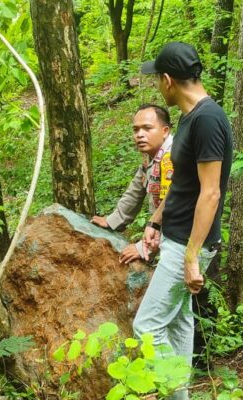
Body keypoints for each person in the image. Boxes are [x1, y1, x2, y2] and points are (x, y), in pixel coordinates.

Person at [133, 42, 233, 399]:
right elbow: (184, 185)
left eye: (157, 80)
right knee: (177, 323)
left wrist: (192, 257)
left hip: (187, 244)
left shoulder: (207, 119)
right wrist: (156, 221)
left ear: (167, 79)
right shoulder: (192, 118)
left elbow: (210, 193)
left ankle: (168, 393)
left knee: (146, 326)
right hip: (175, 236)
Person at [90, 104, 174, 264]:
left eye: (147, 128)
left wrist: (145, 247)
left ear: (165, 131)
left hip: (189, 243)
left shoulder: (172, 158)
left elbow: (175, 206)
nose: (140, 135)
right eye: (136, 130)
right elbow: (135, 190)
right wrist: (113, 220)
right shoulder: (152, 155)